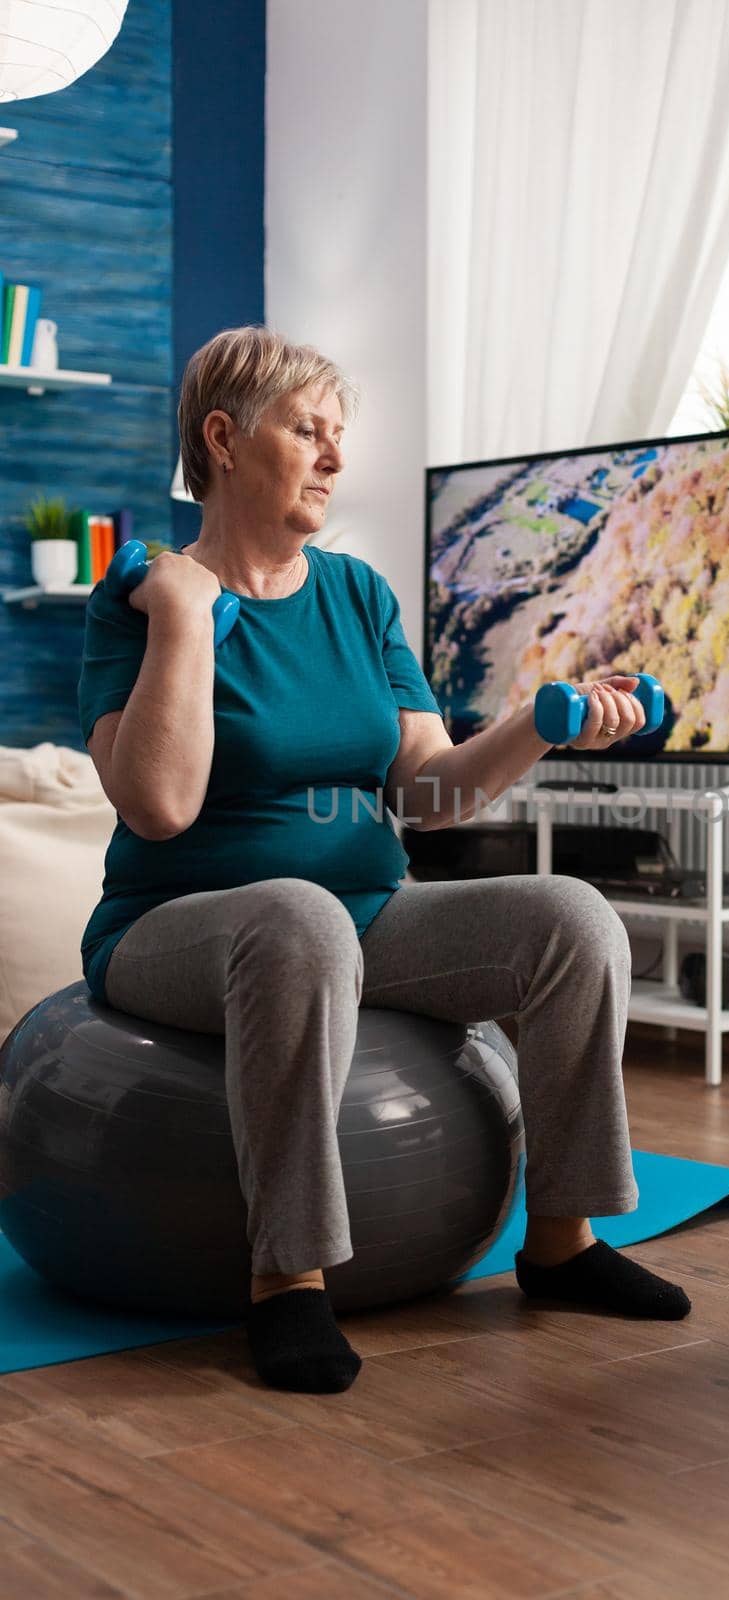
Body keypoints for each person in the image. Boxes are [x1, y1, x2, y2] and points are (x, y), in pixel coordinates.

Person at [78, 325, 690, 1397]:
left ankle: (560, 1239)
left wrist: (538, 728)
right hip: (174, 924)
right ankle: (289, 1279)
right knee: (295, 917)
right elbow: (160, 806)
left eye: (337, 434)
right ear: (224, 438)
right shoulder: (138, 600)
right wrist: (182, 612)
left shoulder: (357, 597)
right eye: (306, 429)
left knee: (571, 918)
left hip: (365, 911)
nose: (333, 455)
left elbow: (428, 790)